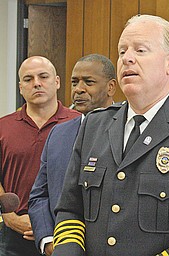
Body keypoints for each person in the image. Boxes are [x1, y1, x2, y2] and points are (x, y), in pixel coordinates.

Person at [52, 14, 169, 256]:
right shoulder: (95, 124)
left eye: (140, 50)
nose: (127, 59)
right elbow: (70, 209)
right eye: (122, 52)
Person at [28, 54, 117, 256]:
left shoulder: (128, 132)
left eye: (89, 82)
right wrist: (48, 240)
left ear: (111, 87)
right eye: (75, 82)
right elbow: (39, 195)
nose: (79, 89)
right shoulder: (59, 134)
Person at [0, 56, 80, 256]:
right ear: (20, 87)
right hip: (13, 234)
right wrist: (8, 215)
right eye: (28, 79)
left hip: (65, 233)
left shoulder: (81, 124)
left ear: (57, 82)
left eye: (43, 76)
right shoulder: (3, 126)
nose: (36, 83)